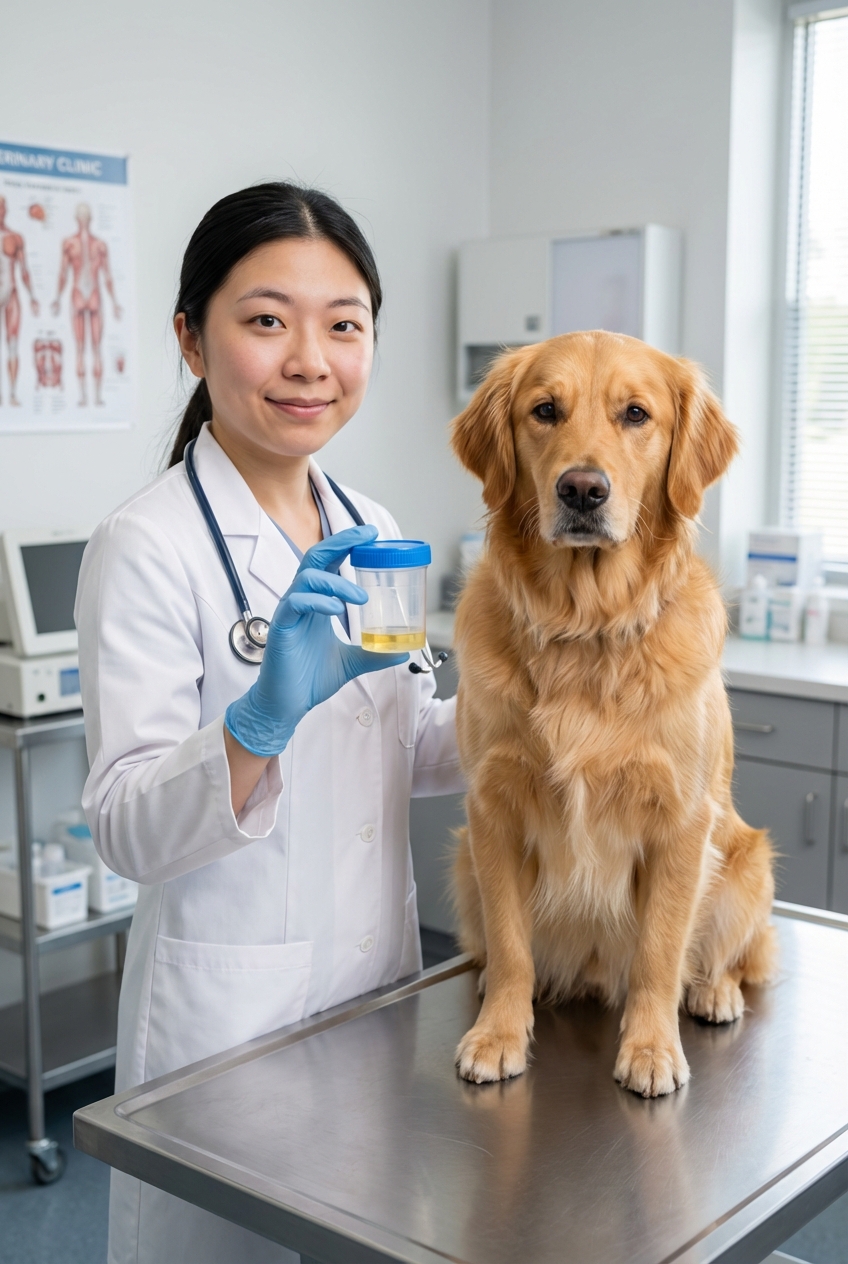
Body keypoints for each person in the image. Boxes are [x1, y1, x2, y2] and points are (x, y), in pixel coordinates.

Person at [75, 182, 463, 1264]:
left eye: (343, 325)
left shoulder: (370, 526)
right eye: (265, 320)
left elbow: (407, 745)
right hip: (225, 1028)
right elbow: (122, 827)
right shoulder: (146, 546)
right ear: (192, 340)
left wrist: (525, 712)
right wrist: (260, 718)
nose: (310, 360)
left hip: (372, 996)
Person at [52, 202, 122, 405]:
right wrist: (56, 298)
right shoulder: (72, 244)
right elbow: (63, 274)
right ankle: (84, 396)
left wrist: (115, 302)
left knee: (94, 348)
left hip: (91, 295)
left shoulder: (98, 245)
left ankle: (96, 396)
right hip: (82, 294)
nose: (83, 219)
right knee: (82, 348)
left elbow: (107, 275)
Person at [0, 195, 39, 405]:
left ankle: (13, 393)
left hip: (11, 293)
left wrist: (32, 296)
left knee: (12, 344)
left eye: (3, 207)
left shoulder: (15, 238)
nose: (1, 211)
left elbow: (24, 270)